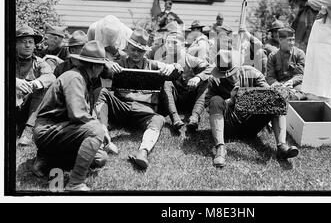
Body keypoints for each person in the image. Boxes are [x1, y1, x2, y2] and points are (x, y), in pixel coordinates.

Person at [93, 28, 184, 170]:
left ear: (146, 51)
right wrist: (107, 64)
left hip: (144, 111)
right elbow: (101, 70)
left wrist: (174, 67)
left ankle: (143, 152)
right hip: (122, 107)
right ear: (127, 48)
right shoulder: (119, 63)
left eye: (140, 51)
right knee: (102, 92)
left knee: (159, 119)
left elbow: (176, 71)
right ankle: (103, 136)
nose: (136, 54)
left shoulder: (153, 65)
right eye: (133, 49)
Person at [32, 41, 110, 191]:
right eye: (102, 66)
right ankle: (75, 183)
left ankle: (48, 160)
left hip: (62, 129)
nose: (102, 69)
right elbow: (77, 114)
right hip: (48, 129)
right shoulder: (74, 78)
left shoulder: (82, 78)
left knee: (100, 158)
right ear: (94, 66)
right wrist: (99, 127)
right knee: (96, 131)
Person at [205, 49, 299, 168]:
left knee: (276, 99)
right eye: (223, 75)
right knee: (215, 100)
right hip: (228, 126)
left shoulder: (252, 73)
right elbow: (210, 106)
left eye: (231, 73)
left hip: (251, 123)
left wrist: (246, 96)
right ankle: (220, 148)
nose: (227, 77)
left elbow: (269, 94)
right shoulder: (214, 80)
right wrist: (231, 101)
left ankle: (282, 146)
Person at [161, 32, 212, 131]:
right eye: (168, 42)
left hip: (192, 99)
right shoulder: (163, 61)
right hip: (173, 100)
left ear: (183, 45)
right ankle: (175, 118)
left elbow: (211, 68)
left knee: (206, 81)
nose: (170, 46)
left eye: (174, 42)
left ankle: (195, 117)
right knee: (166, 82)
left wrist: (198, 77)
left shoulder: (189, 59)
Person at [16, 25, 56, 146]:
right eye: (23, 42)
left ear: (34, 45)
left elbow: (50, 77)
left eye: (30, 42)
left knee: (43, 88)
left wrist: (34, 83)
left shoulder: (39, 62)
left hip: (30, 110)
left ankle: (28, 132)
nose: (27, 45)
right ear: (16, 44)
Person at [266, 27, 305, 96]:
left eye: (293, 40)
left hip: (294, 86)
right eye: (289, 40)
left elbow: (300, 75)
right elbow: (270, 76)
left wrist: (291, 82)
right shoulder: (273, 56)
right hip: (278, 87)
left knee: (301, 93)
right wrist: (276, 84)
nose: (292, 43)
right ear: (280, 40)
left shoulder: (299, 54)